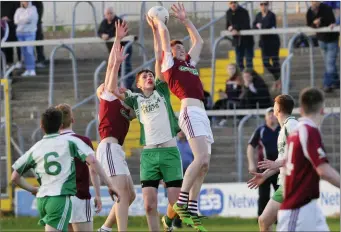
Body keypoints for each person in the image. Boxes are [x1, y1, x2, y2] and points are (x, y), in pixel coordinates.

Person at [108, 18, 183, 232]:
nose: (149, 76)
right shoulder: (135, 99)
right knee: (149, 206)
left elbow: (159, 56)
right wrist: (117, 61)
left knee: (176, 203)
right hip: (149, 155)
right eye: (144, 76)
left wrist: (155, 30)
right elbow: (112, 88)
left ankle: (168, 223)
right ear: (139, 84)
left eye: (150, 74)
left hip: (169, 152)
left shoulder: (161, 90)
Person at [11, 107, 119, 232]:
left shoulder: (37, 147)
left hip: (44, 199)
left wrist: (33, 189)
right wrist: (109, 185)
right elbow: (93, 162)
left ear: (41, 126)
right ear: (63, 123)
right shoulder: (72, 142)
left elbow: (14, 176)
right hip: (66, 196)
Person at [156, 3, 214, 231]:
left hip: (202, 112)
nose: (181, 49)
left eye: (182, 47)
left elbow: (199, 41)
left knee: (204, 165)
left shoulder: (189, 62)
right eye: (177, 47)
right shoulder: (170, 64)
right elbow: (164, 39)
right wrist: (160, 23)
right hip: (189, 110)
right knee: (200, 159)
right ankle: (181, 204)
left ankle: (189, 208)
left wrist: (185, 20)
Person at [277, 87, 340, 231]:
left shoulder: (295, 132)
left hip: (309, 207)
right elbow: (323, 171)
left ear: (301, 110)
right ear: (322, 109)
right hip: (298, 209)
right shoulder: (309, 131)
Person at [96, 21, 136, 232]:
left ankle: (104, 229)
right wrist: (118, 40)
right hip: (109, 148)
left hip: (116, 150)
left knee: (130, 195)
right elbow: (112, 65)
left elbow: (135, 112)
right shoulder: (107, 97)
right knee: (122, 195)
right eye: (104, 86)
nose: (108, 84)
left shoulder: (122, 105)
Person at [247, 94, 298, 232]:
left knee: (269, 221)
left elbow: (300, 153)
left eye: (275, 105)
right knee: (264, 221)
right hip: (286, 182)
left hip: (293, 182)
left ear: (278, 109)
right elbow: (280, 160)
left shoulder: (292, 125)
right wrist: (264, 175)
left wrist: (279, 163)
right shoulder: (284, 128)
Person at [55, 103, 102, 232]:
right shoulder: (82, 141)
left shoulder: (51, 144)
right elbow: (92, 168)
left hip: (58, 199)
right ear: (72, 120)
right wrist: (98, 194)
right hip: (79, 197)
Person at [247, 107, 280, 218]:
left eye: (273, 114)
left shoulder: (282, 129)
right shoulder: (261, 130)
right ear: (265, 117)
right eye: (269, 114)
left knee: (279, 194)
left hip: (279, 168)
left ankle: (279, 218)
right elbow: (251, 146)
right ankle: (262, 217)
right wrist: (251, 163)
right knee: (263, 196)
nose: (271, 116)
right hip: (263, 168)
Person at [306, 1, 340, 93]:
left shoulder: (326, 8)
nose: (313, 3)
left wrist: (325, 22)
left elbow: (332, 21)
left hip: (332, 40)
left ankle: (327, 84)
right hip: (321, 40)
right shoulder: (309, 11)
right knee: (329, 63)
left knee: (329, 63)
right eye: (312, 1)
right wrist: (314, 23)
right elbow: (309, 24)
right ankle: (336, 82)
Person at [97, 6, 133, 90]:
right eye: (107, 14)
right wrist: (102, 35)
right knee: (116, 68)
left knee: (125, 66)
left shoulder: (118, 21)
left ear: (114, 13)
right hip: (114, 50)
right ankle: (119, 86)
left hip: (124, 48)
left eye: (111, 13)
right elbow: (99, 32)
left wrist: (108, 35)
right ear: (105, 15)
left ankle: (127, 87)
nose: (109, 15)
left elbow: (120, 33)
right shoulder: (104, 22)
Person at [253, 1, 281, 91]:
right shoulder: (258, 15)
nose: (263, 6)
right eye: (262, 4)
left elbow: (269, 25)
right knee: (265, 62)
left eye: (265, 4)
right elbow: (253, 25)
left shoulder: (271, 15)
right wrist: (258, 26)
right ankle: (278, 78)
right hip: (264, 43)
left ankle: (278, 81)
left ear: (268, 5)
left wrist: (259, 26)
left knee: (275, 61)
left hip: (273, 42)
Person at [173, 130, 195, 229]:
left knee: (189, 197)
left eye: (183, 131)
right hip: (176, 172)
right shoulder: (173, 144)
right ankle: (177, 220)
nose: (181, 132)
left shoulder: (191, 143)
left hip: (189, 172)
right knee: (178, 198)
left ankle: (188, 219)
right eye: (179, 131)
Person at [226, 1, 254, 70]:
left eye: (234, 2)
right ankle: (242, 79)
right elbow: (227, 26)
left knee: (249, 63)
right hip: (237, 41)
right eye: (231, 3)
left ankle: (251, 80)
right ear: (228, 4)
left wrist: (235, 28)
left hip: (247, 41)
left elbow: (246, 25)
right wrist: (231, 29)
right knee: (239, 62)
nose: (233, 4)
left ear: (237, 3)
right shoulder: (228, 12)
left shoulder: (244, 11)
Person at [14, 1, 38, 76]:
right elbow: (16, 21)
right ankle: (28, 69)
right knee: (24, 52)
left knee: (29, 51)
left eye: (25, 1)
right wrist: (23, 21)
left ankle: (32, 69)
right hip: (20, 33)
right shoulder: (18, 10)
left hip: (29, 33)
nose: (23, 2)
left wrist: (21, 21)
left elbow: (29, 19)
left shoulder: (33, 9)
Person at [1, 1, 22, 68]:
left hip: (15, 26)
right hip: (4, 28)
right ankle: (9, 62)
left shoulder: (15, 2)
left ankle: (20, 61)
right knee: (7, 46)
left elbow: (19, 14)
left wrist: (10, 19)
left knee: (18, 45)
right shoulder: (1, 3)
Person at [32, 1, 46, 68]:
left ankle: (41, 59)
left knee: (38, 41)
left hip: (36, 23)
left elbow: (40, 9)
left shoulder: (37, 2)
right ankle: (32, 61)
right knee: (29, 45)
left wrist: (37, 21)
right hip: (27, 25)